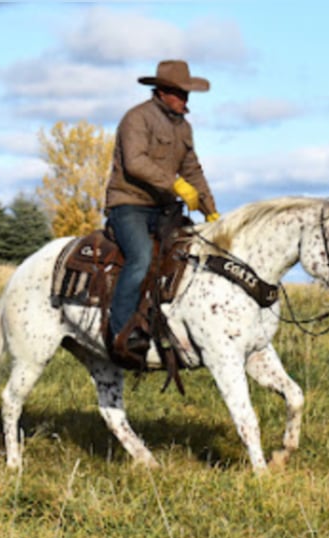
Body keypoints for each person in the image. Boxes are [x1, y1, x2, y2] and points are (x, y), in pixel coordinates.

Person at [105, 60, 220, 356]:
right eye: (180, 94)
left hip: (164, 209)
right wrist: (176, 184)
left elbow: (193, 169)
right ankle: (121, 331)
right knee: (141, 258)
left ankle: (175, 327)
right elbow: (135, 162)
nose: (185, 100)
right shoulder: (136, 119)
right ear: (162, 92)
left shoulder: (184, 128)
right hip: (128, 204)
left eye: (187, 94)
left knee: (191, 256)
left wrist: (211, 212)